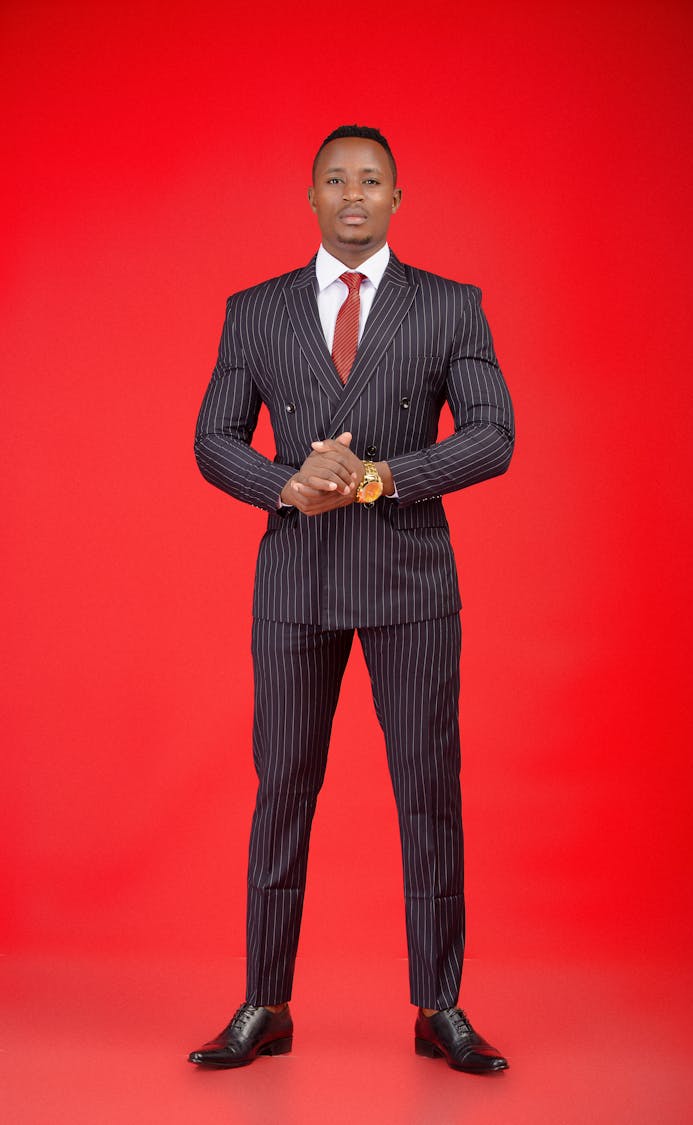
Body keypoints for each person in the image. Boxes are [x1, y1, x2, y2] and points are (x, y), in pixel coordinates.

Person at [189, 124, 515, 1074]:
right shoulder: (254, 312)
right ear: (312, 197)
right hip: (296, 580)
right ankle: (264, 999)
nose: (355, 194)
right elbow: (212, 438)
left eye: (372, 180)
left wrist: (379, 479)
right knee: (281, 788)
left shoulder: (451, 307)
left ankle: (440, 1005)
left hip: (411, 580)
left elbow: (493, 435)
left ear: (399, 197)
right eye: (337, 180)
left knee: (428, 793)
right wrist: (282, 484)